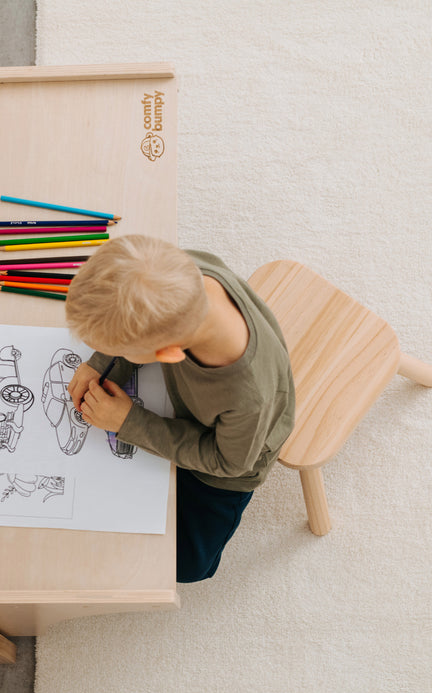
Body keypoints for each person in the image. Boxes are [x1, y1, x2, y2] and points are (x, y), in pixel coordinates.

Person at [65, 235, 295, 583]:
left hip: (233, 461)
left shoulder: (246, 396)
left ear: (170, 353)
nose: (114, 357)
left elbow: (230, 463)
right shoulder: (180, 270)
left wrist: (129, 422)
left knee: (186, 564)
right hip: (202, 410)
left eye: (122, 352)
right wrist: (101, 362)